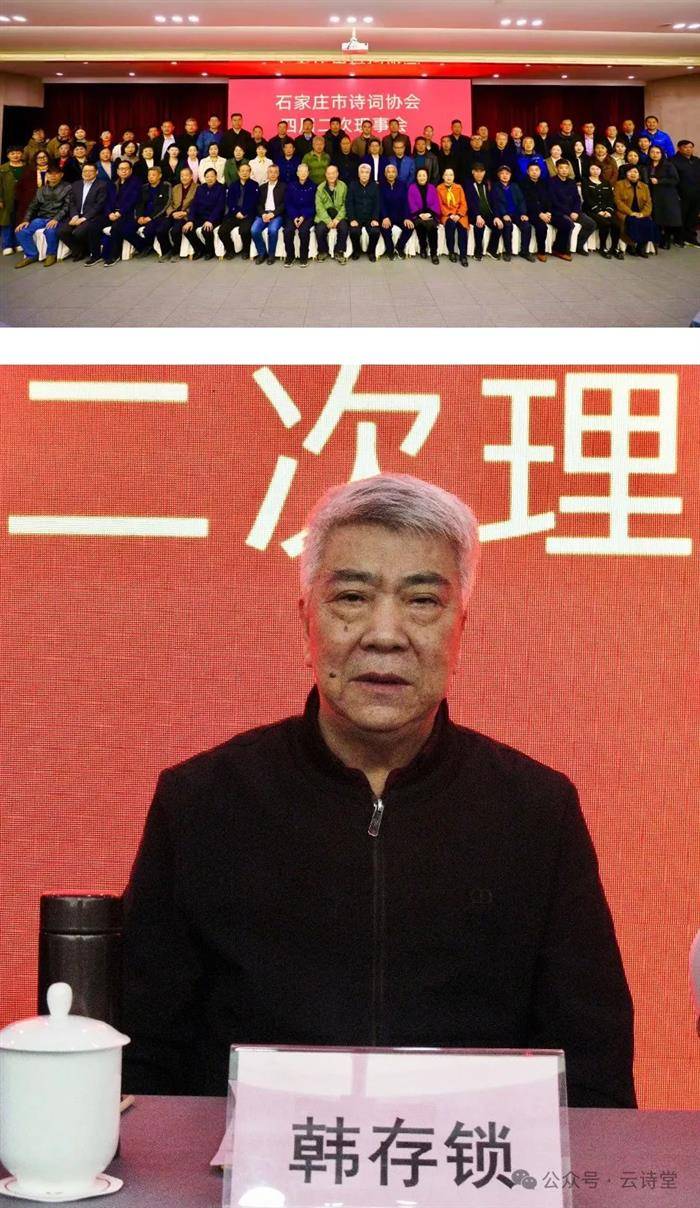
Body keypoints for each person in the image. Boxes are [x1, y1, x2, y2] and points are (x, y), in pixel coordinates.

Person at [121, 472, 637, 1110]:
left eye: (422, 601)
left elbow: (594, 1078)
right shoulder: (203, 804)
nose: (385, 634)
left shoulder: (535, 813)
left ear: (461, 625)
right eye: (352, 597)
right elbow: (139, 1066)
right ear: (306, 616)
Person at [14, 164, 71, 268]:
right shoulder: (41, 190)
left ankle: (51, 254)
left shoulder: (67, 187)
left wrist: (56, 219)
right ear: (47, 175)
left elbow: (67, 207)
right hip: (42, 218)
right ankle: (32, 255)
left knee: (50, 231)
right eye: (50, 174)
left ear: (61, 175)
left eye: (56, 174)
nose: (53, 176)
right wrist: (26, 220)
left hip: (60, 218)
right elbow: (32, 207)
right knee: (21, 231)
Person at [57, 163, 108, 264]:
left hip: (93, 216)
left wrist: (84, 218)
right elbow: (72, 203)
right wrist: (74, 216)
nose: (87, 173)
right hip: (77, 215)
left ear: (96, 172)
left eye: (90, 171)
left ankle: (88, 250)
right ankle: (79, 251)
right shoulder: (76, 184)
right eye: (85, 171)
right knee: (62, 231)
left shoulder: (102, 185)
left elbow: (99, 205)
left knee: (79, 232)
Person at [549, 159, 597, 261]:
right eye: (561, 168)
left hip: (573, 211)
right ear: (557, 169)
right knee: (568, 225)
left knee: (591, 224)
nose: (564, 170)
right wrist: (569, 212)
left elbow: (577, 199)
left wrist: (575, 211)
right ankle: (562, 250)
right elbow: (553, 201)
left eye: (566, 168)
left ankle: (578, 246)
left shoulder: (571, 182)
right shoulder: (551, 182)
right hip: (558, 212)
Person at [100, 160, 144, 266]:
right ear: (117, 171)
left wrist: (120, 213)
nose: (124, 171)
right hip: (113, 214)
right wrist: (109, 213)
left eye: (126, 169)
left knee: (117, 228)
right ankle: (96, 254)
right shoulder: (113, 183)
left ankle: (114, 255)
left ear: (131, 170)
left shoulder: (136, 182)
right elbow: (108, 201)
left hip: (128, 213)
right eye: (121, 169)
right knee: (94, 225)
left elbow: (132, 200)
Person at [490, 165, 535, 262]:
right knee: (507, 226)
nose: (505, 176)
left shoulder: (515, 186)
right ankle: (508, 252)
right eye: (502, 174)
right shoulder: (495, 187)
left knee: (527, 226)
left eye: (507, 174)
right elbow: (496, 203)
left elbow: (521, 200)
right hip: (504, 214)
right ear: (498, 175)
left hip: (516, 213)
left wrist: (523, 213)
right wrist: (503, 214)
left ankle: (525, 251)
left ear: (510, 175)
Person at [183, 167, 226, 260]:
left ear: (216, 177)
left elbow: (220, 206)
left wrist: (210, 220)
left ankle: (210, 251)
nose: (209, 179)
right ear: (204, 178)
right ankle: (199, 250)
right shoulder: (200, 188)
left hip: (215, 217)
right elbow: (194, 205)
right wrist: (190, 220)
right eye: (207, 177)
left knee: (206, 230)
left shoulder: (221, 188)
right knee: (187, 229)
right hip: (201, 216)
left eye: (212, 176)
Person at [218, 162, 258, 260]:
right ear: (238, 173)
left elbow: (254, 202)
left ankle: (246, 250)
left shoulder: (254, 185)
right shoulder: (233, 185)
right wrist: (236, 212)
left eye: (247, 171)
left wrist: (243, 213)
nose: (244, 173)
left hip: (248, 214)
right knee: (222, 231)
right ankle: (230, 250)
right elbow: (230, 201)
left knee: (244, 231)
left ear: (250, 172)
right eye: (242, 171)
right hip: (234, 214)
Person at [614, 166, 656, 257]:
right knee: (632, 222)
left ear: (639, 175)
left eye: (635, 172)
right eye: (630, 172)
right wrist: (631, 213)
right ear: (626, 174)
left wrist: (643, 214)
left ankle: (641, 248)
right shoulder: (619, 184)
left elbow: (648, 203)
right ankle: (631, 246)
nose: (633, 174)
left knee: (648, 223)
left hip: (641, 213)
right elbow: (618, 201)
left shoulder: (644, 186)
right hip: (625, 212)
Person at [582, 163, 621, 259]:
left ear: (600, 170)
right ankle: (602, 247)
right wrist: (598, 211)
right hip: (591, 210)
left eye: (597, 169)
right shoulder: (585, 181)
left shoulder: (606, 182)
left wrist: (608, 210)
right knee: (605, 223)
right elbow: (587, 198)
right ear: (589, 170)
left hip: (606, 210)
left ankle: (614, 248)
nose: (595, 171)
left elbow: (611, 198)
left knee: (616, 224)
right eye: (592, 169)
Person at [160, 165, 198, 261]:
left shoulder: (197, 187)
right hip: (173, 214)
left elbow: (197, 204)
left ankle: (176, 252)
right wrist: (172, 213)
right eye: (182, 176)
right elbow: (169, 203)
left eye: (186, 175)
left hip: (185, 215)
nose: (184, 178)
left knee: (175, 231)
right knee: (160, 230)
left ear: (191, 176)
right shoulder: (176, 188)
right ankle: (166, 251)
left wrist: (185, 213)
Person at [132, 165, 172, 257]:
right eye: (149, 175)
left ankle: (166, 250)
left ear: (160, 175)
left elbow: (165, 204)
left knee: (150, 231)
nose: (151, 177)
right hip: (144, 216)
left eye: (153, 175)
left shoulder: (166, 186)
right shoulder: (144, 187)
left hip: (159, 216)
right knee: (127, 228)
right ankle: (143, 247)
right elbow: (139, 203)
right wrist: (139, 216)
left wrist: (151, 217)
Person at [647, 147, 682, 249]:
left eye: (657, 152)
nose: (655, 154)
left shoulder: (668, 165)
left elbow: (675, 180)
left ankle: (666, 239)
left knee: (667, 218)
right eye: (652, 152)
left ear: (662, 154)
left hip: (667, 195)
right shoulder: (647, 166)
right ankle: (657, 239)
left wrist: (659, 181)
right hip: (653, 194)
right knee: (656, 217)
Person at [282, 161, 315, 266]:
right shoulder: (291, 185)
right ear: (297, 173)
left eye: (305, 171)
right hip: (292, 215)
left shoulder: (313, 186)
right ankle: (290, 256)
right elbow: (288, 203)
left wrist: (303, 216)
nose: (303, 173)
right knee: (288, 231)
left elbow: (313, 205)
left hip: (307, 215)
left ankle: (303, 257)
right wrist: (294, 216)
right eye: (301, 171)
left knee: (304, 232)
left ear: (308, 173)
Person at [251, 164, 285, 265]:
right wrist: (262, 214)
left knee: (272, 230)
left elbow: (285, 204)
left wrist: (273, 214)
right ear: (267, 173)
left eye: (275, 172)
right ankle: (262, 253)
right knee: (254, 230)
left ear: (278, 174)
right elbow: (258, 204)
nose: (273, 174)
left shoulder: (283, 187)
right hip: (263, 214)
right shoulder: (262, 187)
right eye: (271, 172)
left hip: (276, 214)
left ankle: (271, 255)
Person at [346, 162, 381, 262]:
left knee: (375, 231)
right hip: (357, 217)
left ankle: (371, 252)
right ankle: (356, 251)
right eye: (362, 172)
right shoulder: (353, 185)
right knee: (354, 231)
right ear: (358, 174)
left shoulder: (375, 186)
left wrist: (375, 219)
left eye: (367, 172)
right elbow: (349, 203)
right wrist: (352, 219)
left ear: (370, 174)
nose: (364, 174)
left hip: (370, 217)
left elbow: (377, 204)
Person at [314, 163, 348, 264]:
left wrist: (338, 218)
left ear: (337, 174)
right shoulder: (320, 188)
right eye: (329, 173)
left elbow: (346, 204)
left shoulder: (343, 186)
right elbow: (319, 207)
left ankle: (339, 251)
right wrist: (328, 220)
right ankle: (323, 251)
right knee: (319, 230)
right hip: (325, 215)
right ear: (325, 174)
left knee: (344, 228)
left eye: (333, 173)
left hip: (339, 214)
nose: (331, 176)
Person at [520, 162, 554, 262]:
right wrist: (540, 213)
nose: (534, 172)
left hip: (545, 212)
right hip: (531, 212)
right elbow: (527, 201)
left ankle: (559, 249)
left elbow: (549, 198)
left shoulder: (544, 183)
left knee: (564, 222)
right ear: (527, 172)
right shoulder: (523, 183)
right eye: (532, 170)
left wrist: (548, 212)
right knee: (542, 227)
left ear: (540, 171)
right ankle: (541, 252)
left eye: (536, 170)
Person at [464, 163, 499, 260]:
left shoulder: (487, 184)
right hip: (474, 214)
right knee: (479, 226)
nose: (479, 174)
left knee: (499, 225)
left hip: (488, 213)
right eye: (477, 171)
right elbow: (469, 203)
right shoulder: (468, 185)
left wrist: (496, 216)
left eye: (481, 172)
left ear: (484, 172)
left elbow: (494, 201)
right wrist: (477, 215)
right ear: (473, 172)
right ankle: (478, 251)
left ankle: (491, 250)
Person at [407, 166, 441, 264]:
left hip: (430, 215)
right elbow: (411, 202)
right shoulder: (412, 187)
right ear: (416, 177)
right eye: (419, 175)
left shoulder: (432, 187)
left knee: (432, 227)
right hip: (418, 215)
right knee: (420, 225)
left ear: (427, 176)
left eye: (424, 175)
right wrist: (419, 214)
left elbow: (436, 202)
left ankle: (433, 253)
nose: (422, 177)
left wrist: (430, 214)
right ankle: (423, 248)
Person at [379, 164, 413, 259]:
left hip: (400, 215)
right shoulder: (381, 186)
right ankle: (390, 249)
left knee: (409, 227)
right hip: (387, 216)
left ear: (396, 173)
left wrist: (407, 217)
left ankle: (399, 247)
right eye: (388, 172)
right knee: (385, 228)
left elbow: (405, 202)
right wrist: (385, 217)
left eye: (393, 172)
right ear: (385, 174)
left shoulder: (402, 185)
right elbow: (381, 203)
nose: (391, 174)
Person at [437, 167, 469, 266]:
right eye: (446, 175)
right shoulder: (439, 188)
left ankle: (463, 255)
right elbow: (440, 205)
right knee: (450, 226)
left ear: (454, 177)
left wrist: (459, 215)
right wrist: (450, 214)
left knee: (462, 229)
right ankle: (451, 252)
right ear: (443, 176)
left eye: (451, 175)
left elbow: (464, 203)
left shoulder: (459, 187)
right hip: (447, 215)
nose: (449, 177)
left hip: (460, 214)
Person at [672, 141, 700, 246]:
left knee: (693, 216)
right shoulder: (673, 161)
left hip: (696, 194)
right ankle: (678, 238)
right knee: (681, 217)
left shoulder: (697, 160)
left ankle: (690, 237)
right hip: (681, 195)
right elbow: (674, 179)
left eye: (690, 147)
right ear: (679, 148)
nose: (688, 149)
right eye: (685, 147)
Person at [0, 146, 26, 255]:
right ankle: (7, 245)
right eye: (12, 153)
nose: (15, 155)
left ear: (22, 154)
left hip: (23, 199)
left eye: (18, 153)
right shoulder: (3, 168)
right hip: (7, 199)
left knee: (20, 221)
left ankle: (18, 243)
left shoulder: (27, 167)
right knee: (6, 222)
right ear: (8, 155)